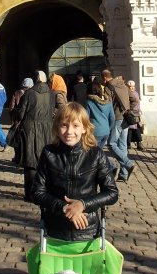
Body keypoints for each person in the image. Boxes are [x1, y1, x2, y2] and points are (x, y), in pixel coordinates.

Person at [32, 102, 118, 241]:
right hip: (56, 229)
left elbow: (112, 193)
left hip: (88, 230)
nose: (69, 132)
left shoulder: (96, 154)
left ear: (84, 128)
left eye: (76, 125)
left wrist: (83, 204)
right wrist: (65, 207)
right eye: (64, 125)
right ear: (57, 128)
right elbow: (37, 192)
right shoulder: (49, 153)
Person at [18, 71, 54, 201]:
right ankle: (44, 191)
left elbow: (21, 113)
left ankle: (30, 194)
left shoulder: (29, 93)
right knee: (45, 161)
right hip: (47, 130)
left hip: (30, 130)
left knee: (30, 161)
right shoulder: (52, 94)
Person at [101, 68, 135, 182]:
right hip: (126, 118)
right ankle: (124, 174)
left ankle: (128, 163)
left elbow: (107, 105)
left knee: (111, 144)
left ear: (105, 78)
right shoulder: (124, 86)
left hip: (117, 118)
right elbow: (134, 99)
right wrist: (129, 109)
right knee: (122, 145)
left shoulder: (109, 87)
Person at [9, 77, 34, 166]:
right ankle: (24, 158)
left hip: (17, 120)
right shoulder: (32, 94)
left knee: (17, 141)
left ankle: (17, 157)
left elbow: (11, 107)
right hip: (27, 120)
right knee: (26, 141)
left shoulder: (16, 93)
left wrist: (13, 118)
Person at [126, 79, 144, 151]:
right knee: (129, 129)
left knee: (137, 128)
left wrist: (140, 112)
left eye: (133, 86)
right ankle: (128, 144)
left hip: (136, 114)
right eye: (130, 87)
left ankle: (139, 143)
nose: (132, 88)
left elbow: (138, 104)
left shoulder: (136, 93)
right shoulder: (126, 94)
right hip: (130, 114)